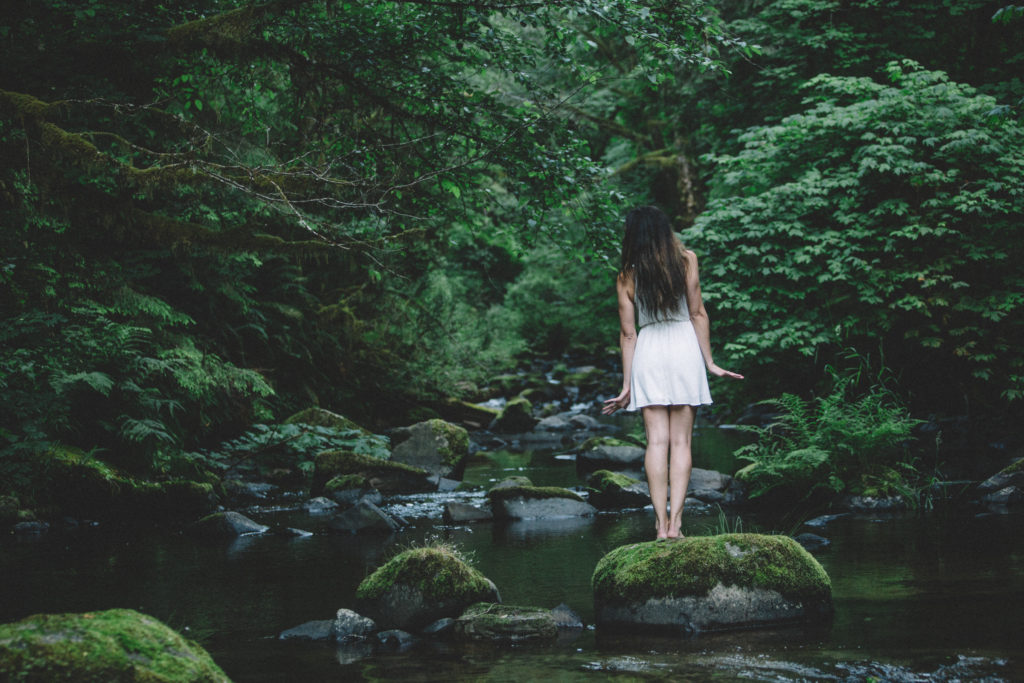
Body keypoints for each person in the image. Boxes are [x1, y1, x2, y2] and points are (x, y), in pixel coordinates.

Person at [601, 205, 743, 540]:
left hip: (649, 351)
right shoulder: (687, 261)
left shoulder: (626, 276)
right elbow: (697, 313)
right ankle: (676, 524)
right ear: (665, 231)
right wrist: (710, 362)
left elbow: (628, 334)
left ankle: (659, 524)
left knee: (656, 442)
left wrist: (626, 384)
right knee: (681, 442)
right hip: (684, 349)